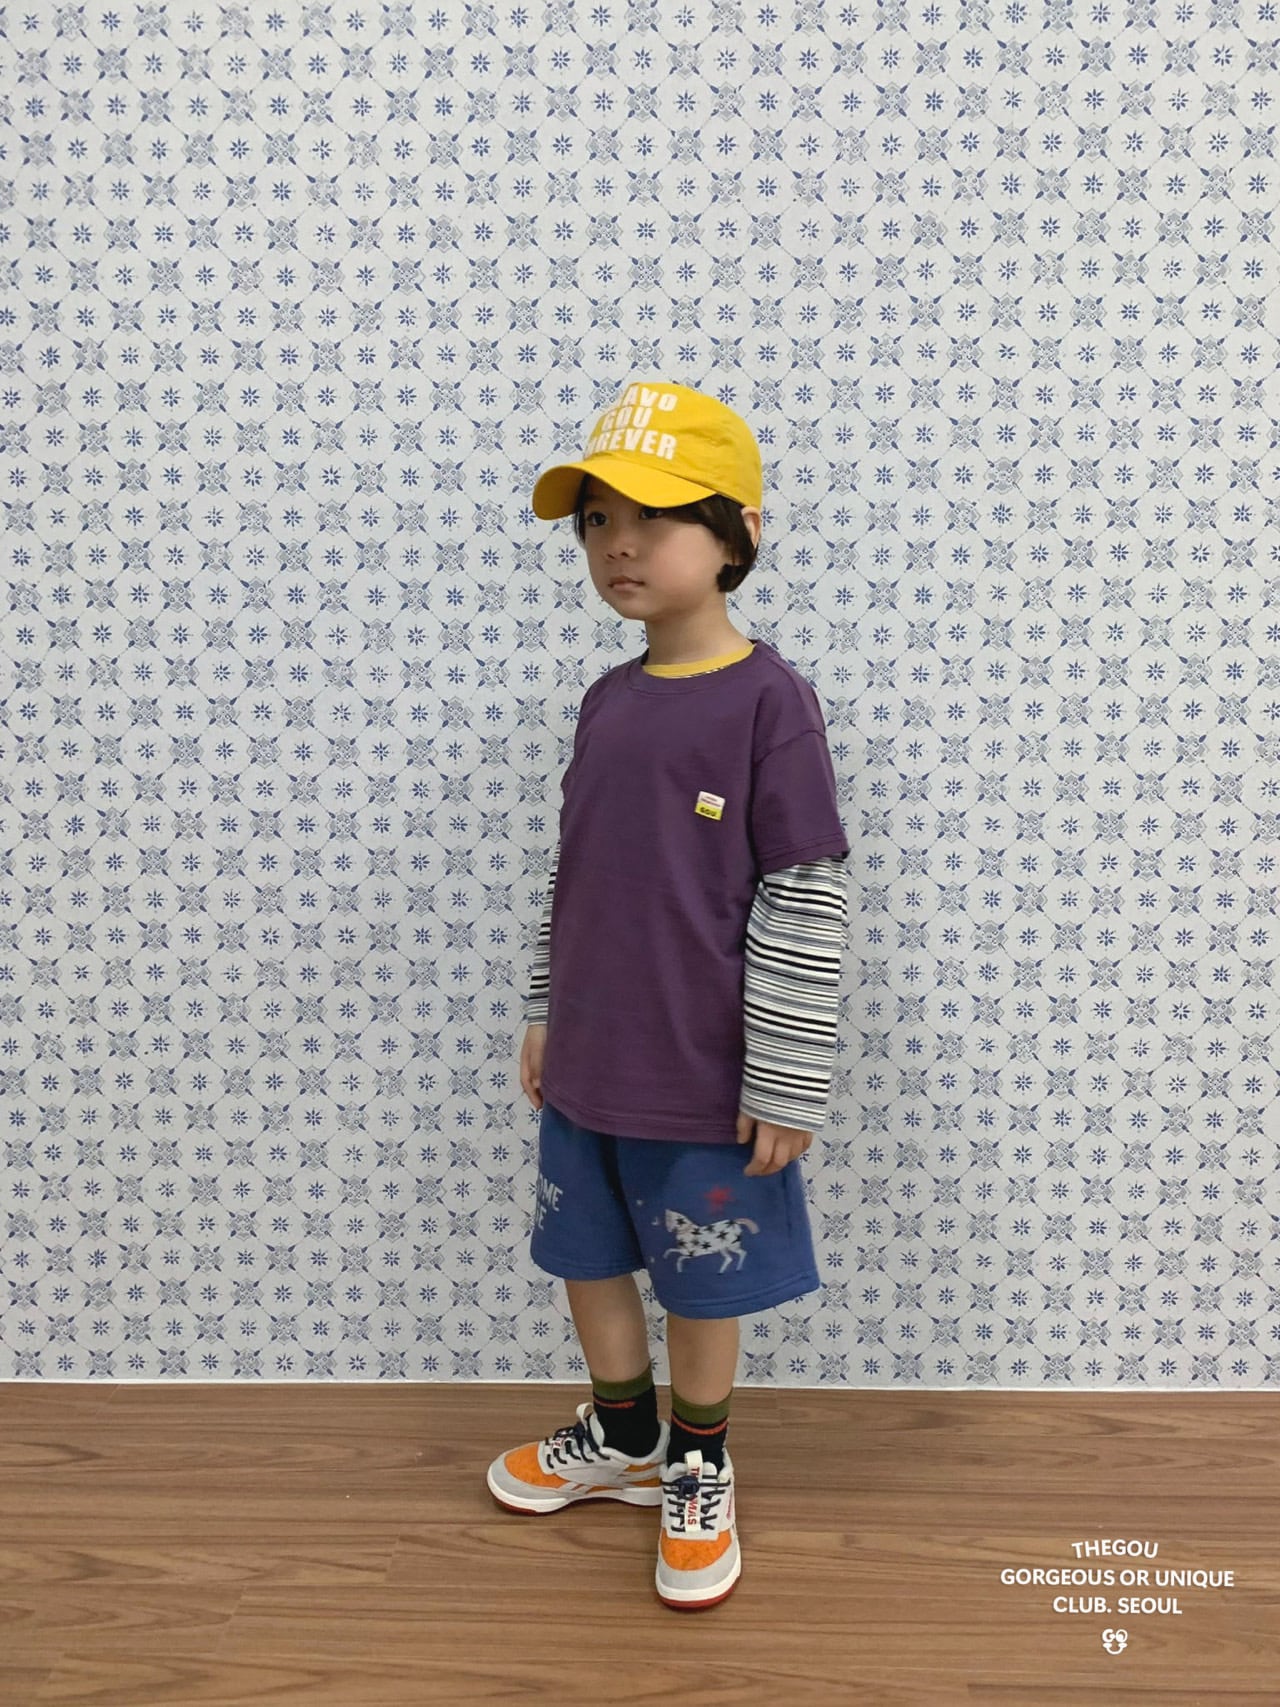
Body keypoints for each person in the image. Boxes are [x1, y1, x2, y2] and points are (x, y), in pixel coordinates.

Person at [485, 380, 851, 1611]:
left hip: (702, 1078)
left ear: (738, 531)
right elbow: (575, 872)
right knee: (584, 1254)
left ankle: (698, 1458)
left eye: (652, 516)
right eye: (595, 520)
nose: (618, 544)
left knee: (698, 1275)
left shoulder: (768, 703)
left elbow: (803, 893)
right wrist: (545, 1006)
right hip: (587, 1063)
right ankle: (624, 1432)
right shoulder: (604, 700)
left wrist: (786, 1077)